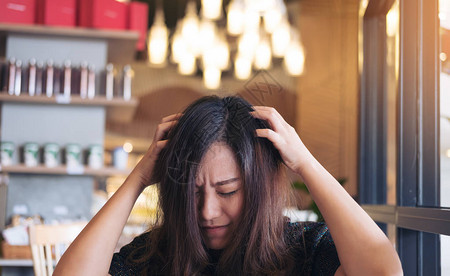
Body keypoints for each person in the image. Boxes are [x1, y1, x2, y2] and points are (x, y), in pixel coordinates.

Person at [54, 95, 403, 276]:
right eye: (192, 191)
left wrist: (305, 163)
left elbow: (382, 272)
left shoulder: (302, 251)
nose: (207, 211)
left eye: (228, 191)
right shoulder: (158, 256)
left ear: (257, 186)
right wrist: (140, 177)